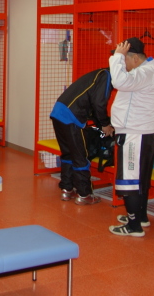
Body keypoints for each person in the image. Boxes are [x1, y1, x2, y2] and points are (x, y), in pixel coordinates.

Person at [107, 37, 154, 237]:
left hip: (135, 135)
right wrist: (119, 57)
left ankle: (134, 226)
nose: (123, 64)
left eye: (124, 59)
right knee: (140, 179)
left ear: (134, 58)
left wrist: (117, 57)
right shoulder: (147, 72)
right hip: (144, 133)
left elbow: (119, 81)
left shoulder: (144, 73)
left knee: (130, 181)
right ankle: (140, 217)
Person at [50, 68, 114, 205]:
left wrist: (101, 122)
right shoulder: (106, 76)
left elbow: (92, 103)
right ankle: (84, 195)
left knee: (68, 153)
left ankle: (67, 189)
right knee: (80, 156)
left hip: (58, 112)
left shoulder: (97, 74)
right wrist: (105, 124)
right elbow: (99, 103)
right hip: (72, 117)